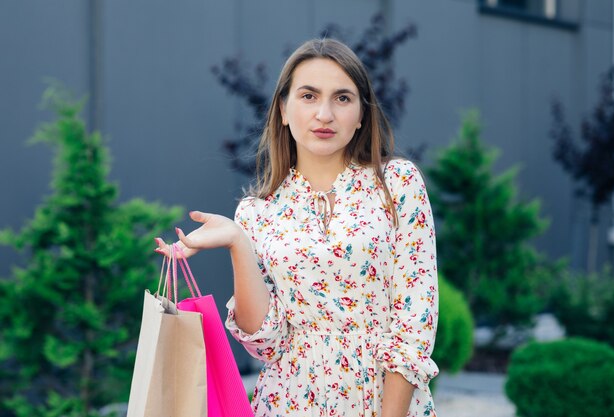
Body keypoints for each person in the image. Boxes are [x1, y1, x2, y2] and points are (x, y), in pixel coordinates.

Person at [155, 38, 439, 417]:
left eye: (342, 98)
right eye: (308, 96)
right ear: (284, 110)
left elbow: (414, 321)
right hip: (287, 403)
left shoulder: (398, 184)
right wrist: (238, 244)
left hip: (382, 402)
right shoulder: (256, 213)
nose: (324, 114)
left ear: (361, 116)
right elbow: (266, 345)